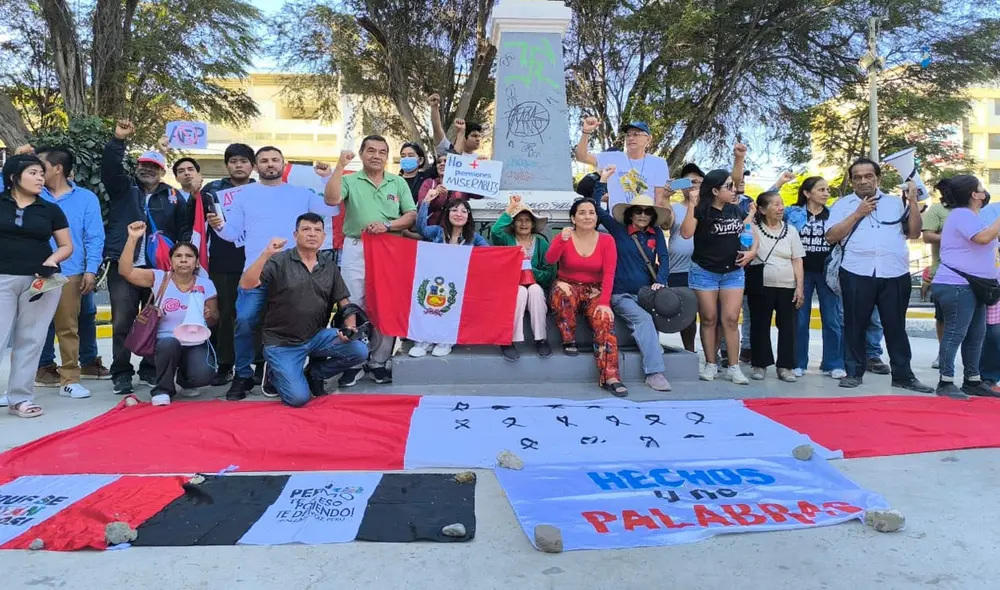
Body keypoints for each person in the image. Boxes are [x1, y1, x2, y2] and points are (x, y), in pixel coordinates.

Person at [209, 146, 338, 400]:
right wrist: (219, 225)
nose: (270, 164)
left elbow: (332, 209)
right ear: (256, 167)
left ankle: (290, 372)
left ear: (283, 163)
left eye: (275, 160)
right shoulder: (243, 195)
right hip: (256, 271)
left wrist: (326, 178)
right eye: (264, 161)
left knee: (301, 324)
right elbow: (231, 233)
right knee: (244, 321)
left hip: (294, 274)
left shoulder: (301, 193)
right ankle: (243, 375)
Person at [825, 158, 932, 392]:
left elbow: (914, 233)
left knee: (895, 326)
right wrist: (857, 213)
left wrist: (912, 202)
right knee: (855, 324)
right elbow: (831, 236)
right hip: (856, 271)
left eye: (869, 176)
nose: (863, 181)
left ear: (878, 178)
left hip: (894, 272)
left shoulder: (896, 203)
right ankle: (853, 372)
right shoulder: (843, 205)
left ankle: (903, 376)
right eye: (858, 177)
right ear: (852, 181)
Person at [240, 214, 368, 407]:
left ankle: (315, 373)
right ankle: (274, 373)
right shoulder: (279, 261)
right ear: (295, 234)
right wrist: (266, 254)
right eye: (306, 229)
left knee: (359, 350)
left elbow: (344, 301)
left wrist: (350, 328)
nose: (312, 234)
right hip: (281, 342)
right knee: (298, 399)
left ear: (324, 237)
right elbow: (247, 284)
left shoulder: (329, 266)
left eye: (317, 230)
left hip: (316, 337)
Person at [102, 120, 190, 395]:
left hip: (160, 271)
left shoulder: (174, 196)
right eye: (143, 166)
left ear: (162, 171)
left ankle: (150, 369)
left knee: (157, 320)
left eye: (153, 167)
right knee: (122, 322)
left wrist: (182, 258)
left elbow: (186, 228)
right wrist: (118, 140)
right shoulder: (123, 190)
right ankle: (121, 372)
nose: (147, 170)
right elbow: (110, 168)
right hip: (125, 266)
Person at [324, 136, 417, 386]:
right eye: (371, 151)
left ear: (388, 157)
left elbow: (410, 216)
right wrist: (340, 166)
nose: (377, 156)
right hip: (357, 247)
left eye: (382, 152)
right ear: (362, 154)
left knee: (387, 304)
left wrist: (387, 225)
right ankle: (354, 362)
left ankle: (378, 361)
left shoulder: (397, 182)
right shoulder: (349, 180)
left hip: (390, 248)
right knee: (353, 304)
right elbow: (331, 199)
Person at [28, 146, 105, 399]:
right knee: (30, 328)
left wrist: (90, 270)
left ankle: (69, 379)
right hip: (31, 272)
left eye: (42, 167)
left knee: (68, 327)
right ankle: (28, 379)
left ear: (58, 168)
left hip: (69, 272)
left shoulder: (86, 198)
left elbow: (94, 237)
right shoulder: (30, 193)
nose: (38, 172)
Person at [0, 154, 73, 418]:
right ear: (13, 177)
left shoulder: (50, 209)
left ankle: (20, 399)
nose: (40, 178)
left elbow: (66, 246)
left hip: (41, 282)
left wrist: (52, 259)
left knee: (31, 340)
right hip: (2, 278)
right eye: (33, 173)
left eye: (42, 173)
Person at [591, 166, 673, 391]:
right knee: (644, 320)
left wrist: (662, 279)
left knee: (663, 310)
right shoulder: (618, 229)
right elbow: (596, 209)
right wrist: (602, 181)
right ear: (630, 213)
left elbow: (664, 258)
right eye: (638, 211)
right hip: (621, 294)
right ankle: (654, 372)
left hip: (647, 292)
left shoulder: (655, 233)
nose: (643, 216)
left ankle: (653, 347)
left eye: (647, 212)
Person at [118, 223, 218, 405]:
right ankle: (163, 389)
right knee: (169, 343)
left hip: (194, 341)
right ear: (171, 261)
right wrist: (133, 238)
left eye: (189, 256)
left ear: (196, 262)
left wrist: (208, 315)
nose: (183, 260)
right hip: (163, 343)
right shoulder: (159, 278)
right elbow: (125, 271)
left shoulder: (206, 284)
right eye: (178, 256)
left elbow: (214, 319)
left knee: (204, 375)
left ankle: (185, 379)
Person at [184, 143, 255, 386]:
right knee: (225, 314)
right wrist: (195, 196)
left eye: (244, 161)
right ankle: (225, 364)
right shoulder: (212, 190)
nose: (238, 165)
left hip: (257, 260)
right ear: (227, 165)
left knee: (256, 314)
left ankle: (259, 363)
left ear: (252, 166)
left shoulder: (261, 189)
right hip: (223, 261)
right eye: (234, 161)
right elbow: (192, 218)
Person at [680, 166, 756, 384]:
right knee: (709, 318)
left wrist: (752, 252)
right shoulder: (701, 209)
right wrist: (692, 205)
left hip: (733, 272)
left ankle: (733, 367)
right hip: (704, 271)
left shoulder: (736, 210)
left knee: (731, 319)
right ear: (714, 190)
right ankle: (710, 364)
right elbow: (686, 233)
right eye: (728, 186)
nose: (734, 190)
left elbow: (750, 231)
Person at [545, 199, 627, 396]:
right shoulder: (564, 236)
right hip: (567, 284)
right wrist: (560, 240)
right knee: (562, 292)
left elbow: (609, 273)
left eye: (591, 212)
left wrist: (605, 303)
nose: (587, 216)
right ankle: (568, 338)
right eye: (582, 213)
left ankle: (610, 376)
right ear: (573, 218)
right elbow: (550, 260)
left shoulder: (607, 240)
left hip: (595, 290)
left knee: (604, 319)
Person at [930, 175, 999, 399]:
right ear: (974, 194)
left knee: (976, 334)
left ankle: (972, 379)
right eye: (980, 188)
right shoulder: (961, 215)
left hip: (974, 286)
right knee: (955, 333)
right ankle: (946, 381)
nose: (984, 191)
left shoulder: (972, 215)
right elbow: (982, 238)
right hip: (956, 284)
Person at [409, 195, 489, 358]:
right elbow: (421, 227)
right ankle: (424, 340)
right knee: (428, 308)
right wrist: (426, 202)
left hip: (459, 286)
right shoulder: (438, 232)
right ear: (447, 213)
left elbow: (491, 254)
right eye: (454, 210)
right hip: (435, 281)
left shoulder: (473, 238)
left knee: (450, 309)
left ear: (468, 217)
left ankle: (445, 340)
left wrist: (515, 254)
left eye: (463, 211)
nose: (459, 214)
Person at [785, 176, 846, 379]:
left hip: (827, 273)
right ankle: (798, 362)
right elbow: (765, 204)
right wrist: (779, 182)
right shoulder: (793, 213)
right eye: (821, 189)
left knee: (832, 319)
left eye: (827, 189)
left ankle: (833, 363)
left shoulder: (834, 215)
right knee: (800, 320)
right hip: (800, 273)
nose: (826, 193)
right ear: (807, 193)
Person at [747, 191, 805, 382]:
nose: (781, 208)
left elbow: (797, 260)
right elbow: (744, 232)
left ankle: (786, 366)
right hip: (761, 285)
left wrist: (800, 287)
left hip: (787, 285)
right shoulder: (754, 228)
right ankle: (759, 364)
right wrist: (750, 214)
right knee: (759, 325)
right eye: (775, 204)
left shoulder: (791, 231)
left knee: (788, 327)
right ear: (762, 209)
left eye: (782, 204)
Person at [490, 195, 553, 361]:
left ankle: (541, 338)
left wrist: (532, 272)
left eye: (527, 220)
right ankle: (509, 340)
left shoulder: (541, 243)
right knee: (520, 292)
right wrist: (510, 209)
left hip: (535, 286)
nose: (523, 224)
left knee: (534, 290)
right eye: (519, 220)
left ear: (533, 224)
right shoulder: (506, 239)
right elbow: (495, 231)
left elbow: (549, 273)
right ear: (513, 223)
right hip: (511, 286)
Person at [575, 117, 670, 209]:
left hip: (645, 220)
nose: (631, 138)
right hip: (617, 222)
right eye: (628, 135)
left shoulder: (659, 163)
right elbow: (581, 157)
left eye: (636, 134)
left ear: (648, 139)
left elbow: (659, 199)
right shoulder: (612, 157)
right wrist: (586, 132)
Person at [667, 163, 704, 352]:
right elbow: (665, 224)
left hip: (705, 269)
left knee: (709, 314)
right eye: (688, 182)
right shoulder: (673, 208)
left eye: (697, 181)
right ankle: (690, 352)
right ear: (680, 185)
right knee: (686, 315)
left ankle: (714, 357)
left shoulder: (708, 207)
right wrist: (664, 196)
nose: (692, 185)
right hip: (678, 269)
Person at [921, 193, 953, 369]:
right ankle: (943, 354)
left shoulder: (974, 209)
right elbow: (927, 236)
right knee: (942, 318)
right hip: (942, 273)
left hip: (973, 275)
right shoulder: (937, 209)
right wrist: (955, 236)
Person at [418, 152, 468, 226]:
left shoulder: (463, 184)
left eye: (446, 161)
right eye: (439, 162)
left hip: (456, 231)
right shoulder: (429, 183)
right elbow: (421, 208)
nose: (442, 164)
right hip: (433, 232)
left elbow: (479, 195)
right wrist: (434, 194)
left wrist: (482, 165)